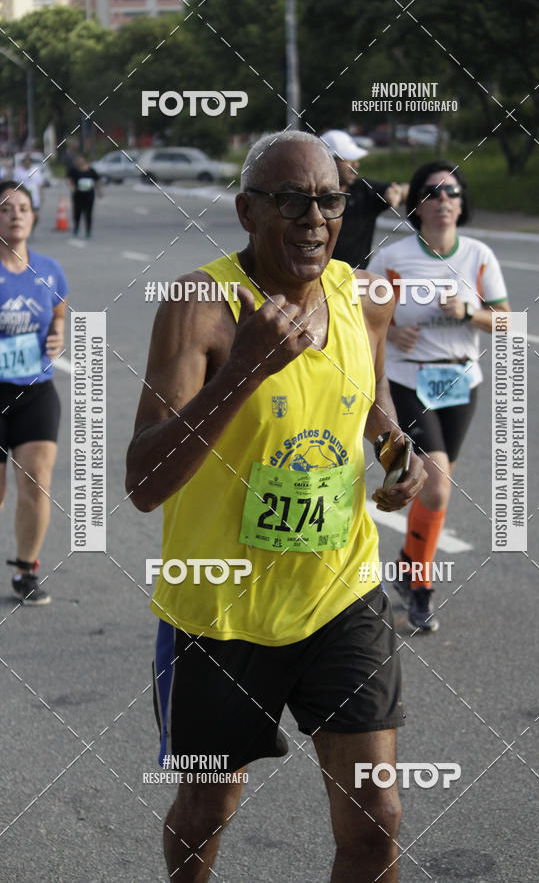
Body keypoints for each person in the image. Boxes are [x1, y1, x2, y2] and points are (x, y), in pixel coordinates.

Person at [126, 130, 427, 882]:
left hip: (340, 596)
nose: (316, 220)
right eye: (292, 201)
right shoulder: (201, 305)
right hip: (219, 613)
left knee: (378, 820)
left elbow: (371, 397)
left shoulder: (362, 297)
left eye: (329, 201)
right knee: (205, 814)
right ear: (246, 211)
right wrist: (246, 370)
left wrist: (396, 456)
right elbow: (143, 481)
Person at [368, 160, 510, 632]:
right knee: (438, 485)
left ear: (462, 202)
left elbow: (509, 322)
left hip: (460, 384)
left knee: (437, 486)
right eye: (433, 192)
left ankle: (409, 567)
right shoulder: (393, 258)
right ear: (417, 204)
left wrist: (470, 311)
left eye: (452, 192)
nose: (444, 199)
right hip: (408, 381)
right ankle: (422, 587)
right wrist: (392, 334)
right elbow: (359, 318)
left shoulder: (479, 255)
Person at [0, 180, 68, 605]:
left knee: (37, 482)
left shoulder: (50, 269)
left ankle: (26, 570)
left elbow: (58, 309)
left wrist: (58, 331)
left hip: (35, 391)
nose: (16, 214)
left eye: (23, 207)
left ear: (34, 215)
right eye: (6, 208)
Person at [320, 129, 408, 269]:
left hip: (356, 282)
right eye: (348, 159)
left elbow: (406, 189)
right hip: (317, 281)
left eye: (356, 160)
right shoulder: (311, 198)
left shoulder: (365, 191)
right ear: (327, 161)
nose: (356, 165)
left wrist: (399, 192)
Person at [67, 154, 102, 238]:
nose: (79, 162)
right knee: (77, 213)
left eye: (81, 160)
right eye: (78, 160)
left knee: (88, 213)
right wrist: (72, 187)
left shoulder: (91, 170)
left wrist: (100, 191)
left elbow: (98, 180)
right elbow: (69, 179)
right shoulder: (74, 170)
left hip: (89, 195)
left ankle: (88, 231)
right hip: (78, 195)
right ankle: (76, 227)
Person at [13, 155, 43, 228]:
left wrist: (42, 195)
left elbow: (40, 184)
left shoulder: (36, 170)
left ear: (30, 163)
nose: (27, 164)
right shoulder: (18, 172)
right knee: (25, 214)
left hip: (35, 198)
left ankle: (32, 226)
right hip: (23, 198)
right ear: (23, 163)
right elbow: (15, 185)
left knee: (36, 215)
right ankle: (26, 228)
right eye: (25, 162)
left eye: (28, 162)